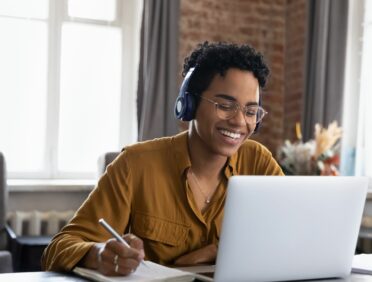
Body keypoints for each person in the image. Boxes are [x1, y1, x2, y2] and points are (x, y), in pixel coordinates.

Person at [41, 42, 284, 276]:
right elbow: (58, 248)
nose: (240, 122)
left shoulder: (258, 163)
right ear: (189, 103)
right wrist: (100, 253)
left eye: (251, 111)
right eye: (225, 105)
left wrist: (218, 251)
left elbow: (290, 233)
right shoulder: (135, 165)